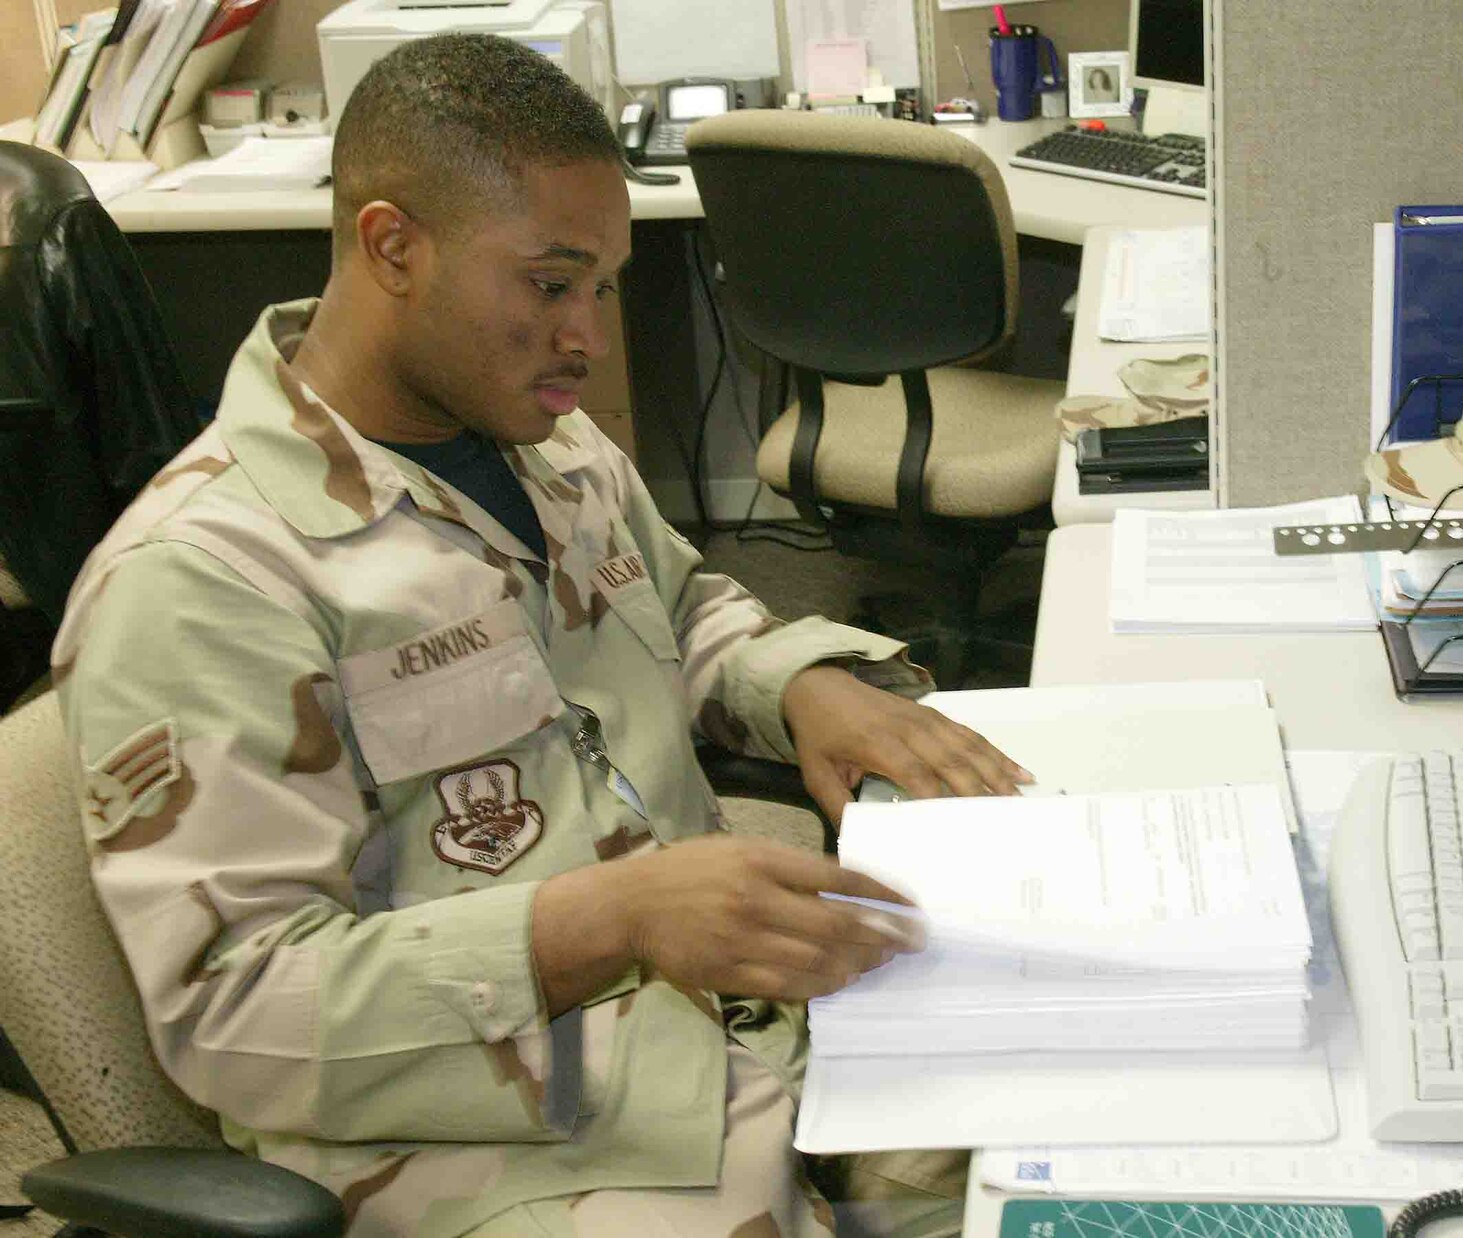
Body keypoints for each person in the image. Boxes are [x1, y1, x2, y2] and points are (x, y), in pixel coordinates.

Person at [52, 33, 1029, 1238]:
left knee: (1108, 1117)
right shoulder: (202, 582)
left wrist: (803, 686)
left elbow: (676, 606)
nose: (590, 338)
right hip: (509, 1141)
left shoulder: (550, 445)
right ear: (391, 246)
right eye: (551, 282)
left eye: (604, 285)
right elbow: (233, 1017)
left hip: (747, 1018)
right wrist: (609, 917)